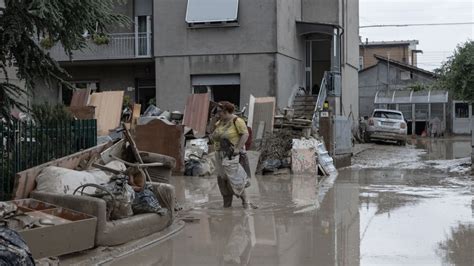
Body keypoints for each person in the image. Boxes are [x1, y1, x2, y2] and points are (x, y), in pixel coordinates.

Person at [211, 101, 250, 208]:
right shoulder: (219, 122)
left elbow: (245, 134)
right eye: (217, 112)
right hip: (219, 154)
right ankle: (227, 205)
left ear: (227, 111)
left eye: (220, 112)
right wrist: (213, 120)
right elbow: (212, 134)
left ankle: (246, 202)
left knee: (234, 180)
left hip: (231, 155)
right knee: (222, 180)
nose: (218, 114)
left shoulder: (237, 121)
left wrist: (237, 148)